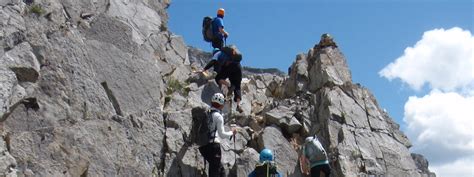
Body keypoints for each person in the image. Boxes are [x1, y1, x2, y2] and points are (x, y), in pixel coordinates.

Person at [199, 93, 237, 177]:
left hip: (203, 146)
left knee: (220, 169)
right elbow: (222, 134)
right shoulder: (218, 116)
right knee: (215, 171)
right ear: (221, 105)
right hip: (213, 146)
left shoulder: (206, 113)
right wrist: (232, 132)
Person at [214, 47, 243, 113]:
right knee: (237, 86)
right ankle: (238, 105)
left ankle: (229, 85)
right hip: (238, 68)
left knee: (218, 78)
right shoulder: (236, 57)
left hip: (230, 66)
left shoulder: (222, 54)